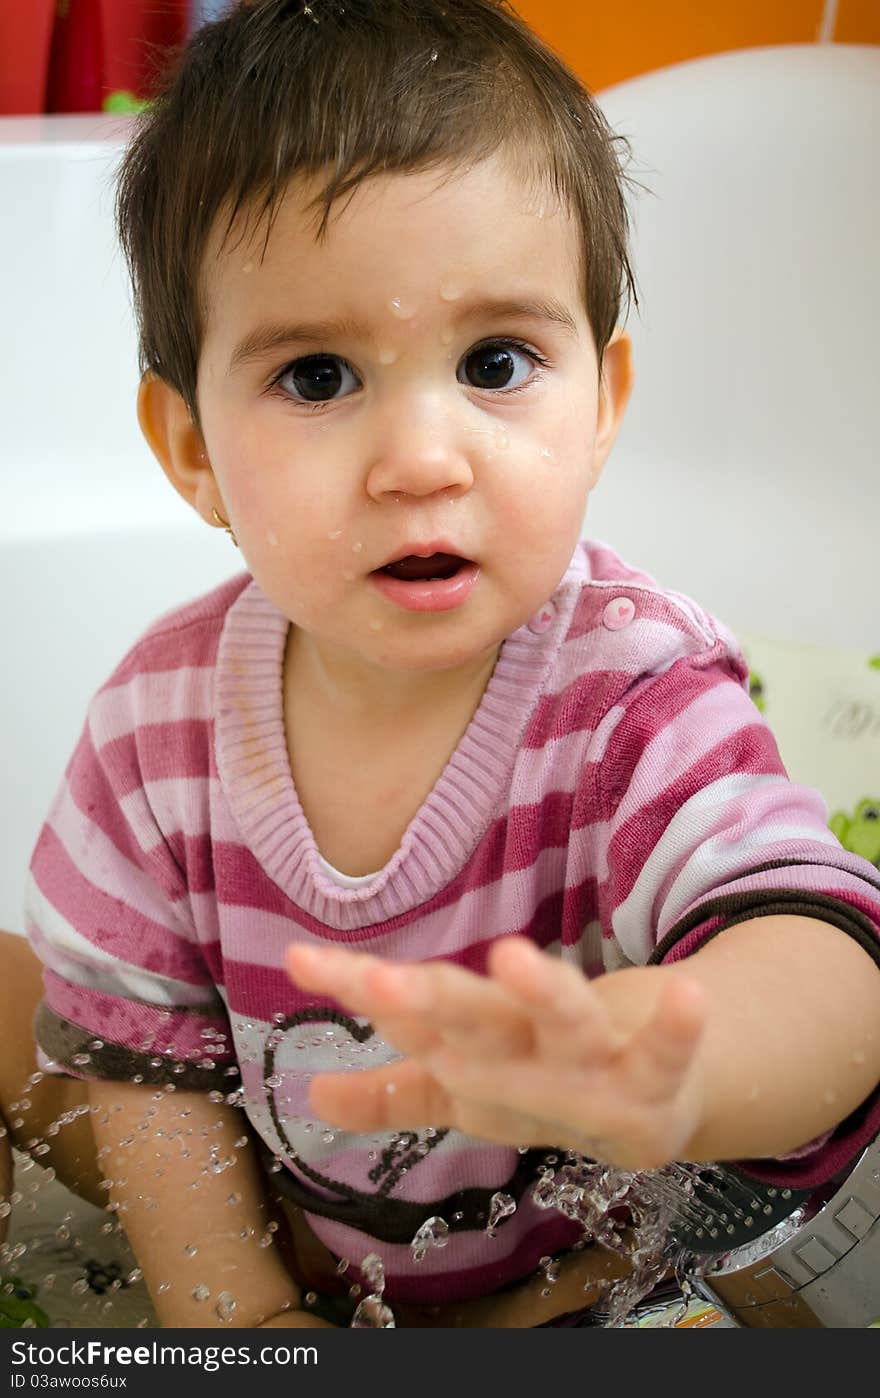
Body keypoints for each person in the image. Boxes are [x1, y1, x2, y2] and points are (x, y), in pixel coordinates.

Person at [1, 0, 879, 1331]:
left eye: (496, 362)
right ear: (190, 452)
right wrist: (239, 1310)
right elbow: (148, 1071)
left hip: (569, 1271)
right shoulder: (153, 727)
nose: (424, 457)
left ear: (602, 406)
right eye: (316, 376)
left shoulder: (629, 692)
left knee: (760, 1313)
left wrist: (687, 1063)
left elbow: (827, 952)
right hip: (294, 1213)